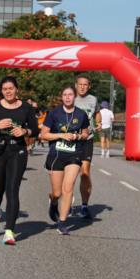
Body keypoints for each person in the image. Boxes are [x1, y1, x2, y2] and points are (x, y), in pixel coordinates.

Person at [0, 76, 38, 245]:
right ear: (1, 91)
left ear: (16, 89)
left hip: (17, 151)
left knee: (12, 190)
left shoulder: (26, 108)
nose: (8, 91)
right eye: (5, 89)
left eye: (11, 88)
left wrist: (24, 131)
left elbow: (35, 130)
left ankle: (9, 231)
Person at [41, 85, 89, 236]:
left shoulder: (81, 114)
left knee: (68, 188)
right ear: (61, 97)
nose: (68, 97)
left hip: (74, 154)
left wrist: (78, 136)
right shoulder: (54, 114)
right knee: (57, 192)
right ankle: (54, 202)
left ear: (75, 97)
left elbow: (86, 133)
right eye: (65, 95)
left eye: (70, 95)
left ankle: (62, 222)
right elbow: (44, 135)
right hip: (56, 154)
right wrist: (61, 136)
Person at [73, 74, 100, 219]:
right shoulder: (70, 97)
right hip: (71, 140)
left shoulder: (93, 100)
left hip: (87, 139)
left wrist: (98, 123)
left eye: (85, 85)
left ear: (89, 86)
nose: (82, 87)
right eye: (80, 84)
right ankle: (67, 199)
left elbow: (97, 113)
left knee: (84, 172)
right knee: (70, 173)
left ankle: (84, 205)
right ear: (76, 85)